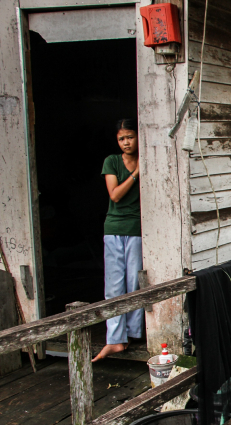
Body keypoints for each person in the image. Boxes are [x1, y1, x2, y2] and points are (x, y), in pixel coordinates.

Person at [93, 119, 143, 362]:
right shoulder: (112, 161)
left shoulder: (148, 157)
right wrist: (136, 174)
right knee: (114, 285)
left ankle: (132, 334)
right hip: (114, 229)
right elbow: (115, 195)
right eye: (122, 138)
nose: (126, 142)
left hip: (137, 229)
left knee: (134, 282)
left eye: (130, 137)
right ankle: (114, 339)